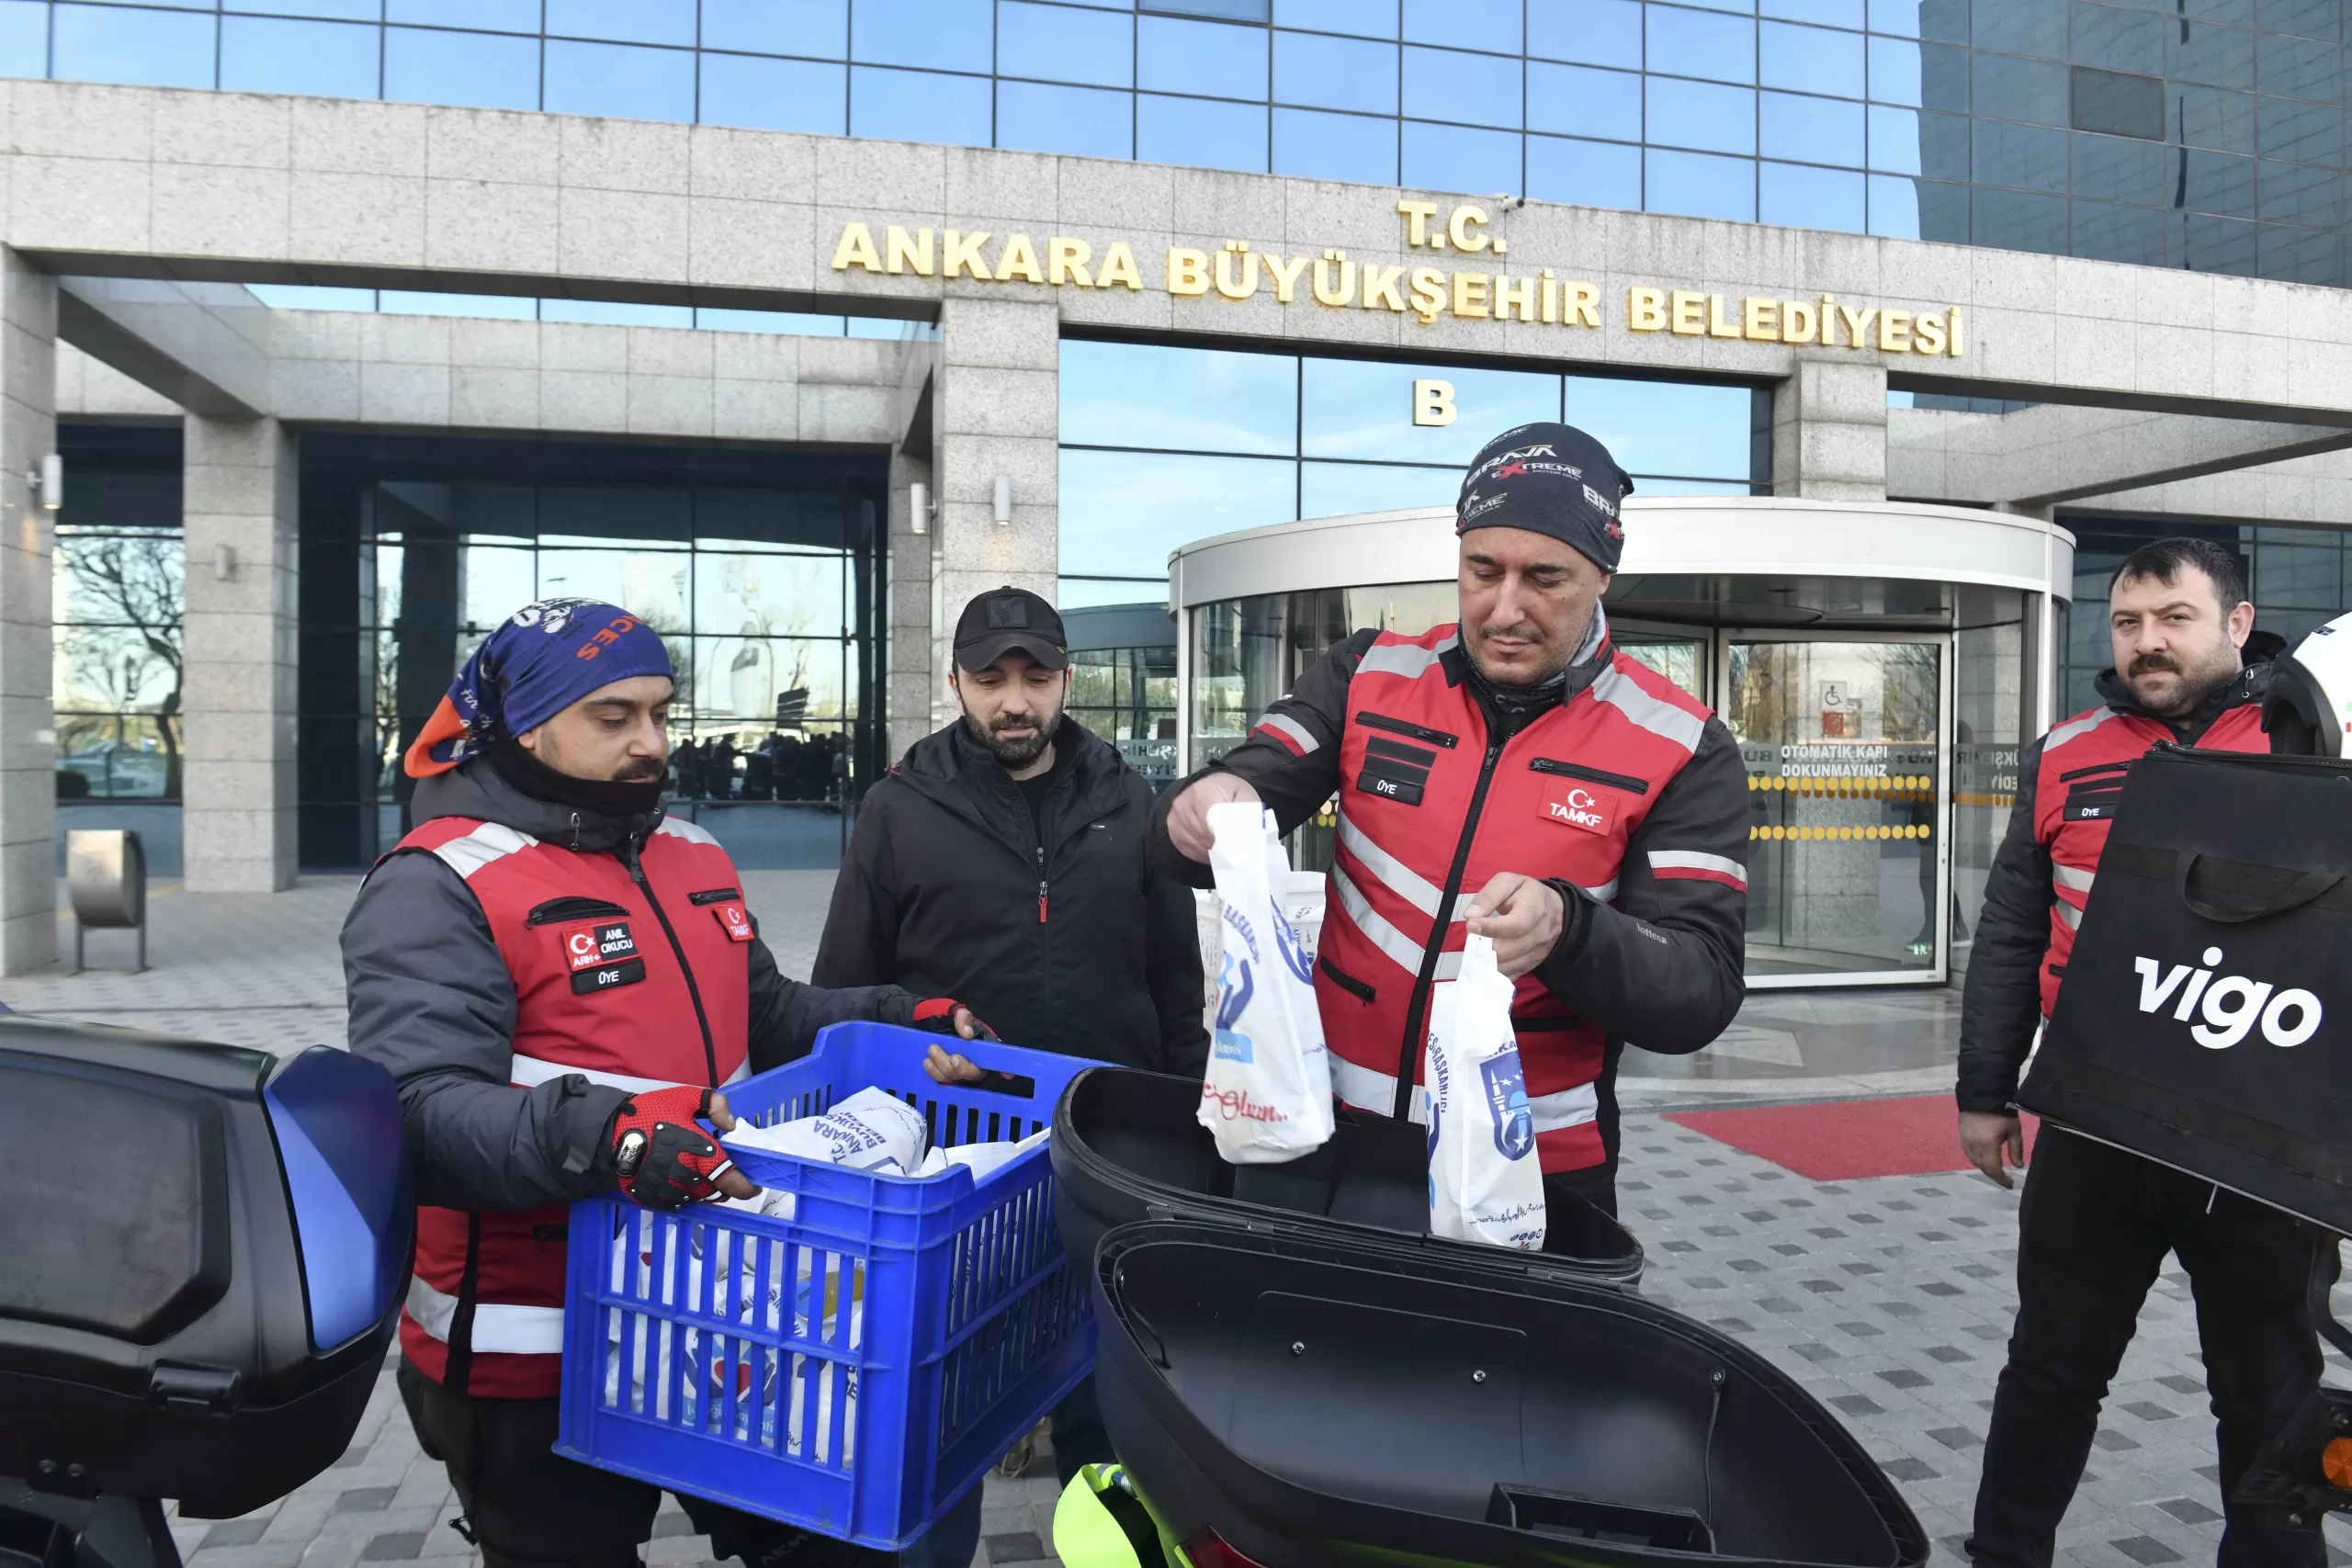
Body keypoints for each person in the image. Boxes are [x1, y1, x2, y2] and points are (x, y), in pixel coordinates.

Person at [344, 598, 989, 1568]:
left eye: (660, 712)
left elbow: (763, 1012)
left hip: (716, 1318)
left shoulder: (691, 852)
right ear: (525, 721)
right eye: (613, 718)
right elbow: (417, 1113)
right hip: (534, 1357)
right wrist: (616, 1138)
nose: (649, 742)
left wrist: (903, 1017)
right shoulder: (439, 881)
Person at [1147, 421, 1751, 1217]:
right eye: (1482, 570)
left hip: (1531, 1170)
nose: (1506, 608)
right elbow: (1216, 809)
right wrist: (1193, 813)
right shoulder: (1368, 673)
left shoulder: (1681, 742)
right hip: (1324, 1142)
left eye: (1545, 577)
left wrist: (1570, 931)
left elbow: (1700, 987)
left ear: (1604, 574)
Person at [1957, 538, 2333, 1568]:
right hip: (2095, 1122)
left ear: (2238, 623)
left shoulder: (2317, 735)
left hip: (2258, 1139)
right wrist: (1984, 1092)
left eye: (2173, 617)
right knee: (2048, 1373)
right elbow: (2009, 933)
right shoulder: (2063, 750)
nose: (2147, 642)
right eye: (2127, 622)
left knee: (2266, 1398)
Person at [815, 585, 1207, 1568]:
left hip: (1107, 1159)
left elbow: (1174, 989)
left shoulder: (1133, 804)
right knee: (938, 1418)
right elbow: (842, 995)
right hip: (954, 1170)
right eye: (990, 679)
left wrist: (1196, 1136)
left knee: (1106, 1419)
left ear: (1067, 679)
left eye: (1035, 677)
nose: (1014, 701)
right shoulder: (900, 809)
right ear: (956, 683)